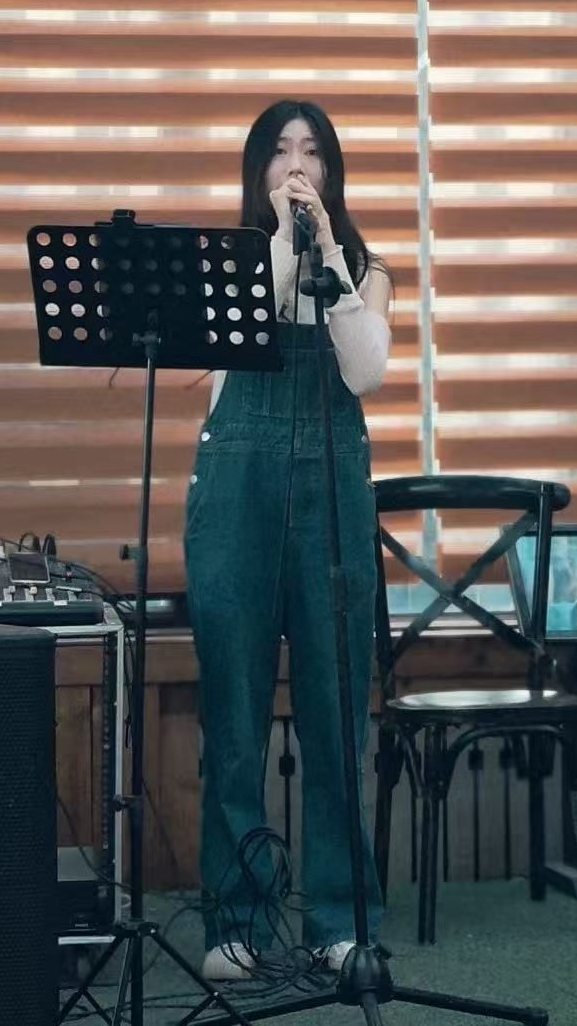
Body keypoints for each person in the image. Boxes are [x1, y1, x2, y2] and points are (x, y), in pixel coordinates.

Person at [183, 100, 393, 982]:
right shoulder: (231, 262)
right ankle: (235, 920)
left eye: (312, 152)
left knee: (335, 711)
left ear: (334, 172)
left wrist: (331, 255)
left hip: (330, 498)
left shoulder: (367, 270)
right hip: (238, 492)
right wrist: (280, 239)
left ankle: (337, 919)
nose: (297, 166)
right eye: (280, 152)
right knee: (233, 714)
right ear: (257, 170)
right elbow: (242, 331)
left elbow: (365, 370)